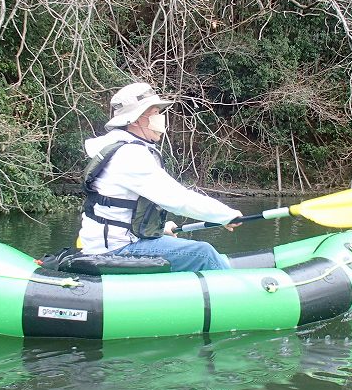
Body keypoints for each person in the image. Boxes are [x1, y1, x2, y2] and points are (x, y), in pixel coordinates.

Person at [77, 81, 242, 271]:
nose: (160, 119)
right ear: (135, 120)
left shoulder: (119, 149)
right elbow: (179, 200)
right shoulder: (130, 155)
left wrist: (159, 229)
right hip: (117, 249)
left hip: (110, 243)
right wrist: (226, 215)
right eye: (154, 113)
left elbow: (123, 210)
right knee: (203, 253)